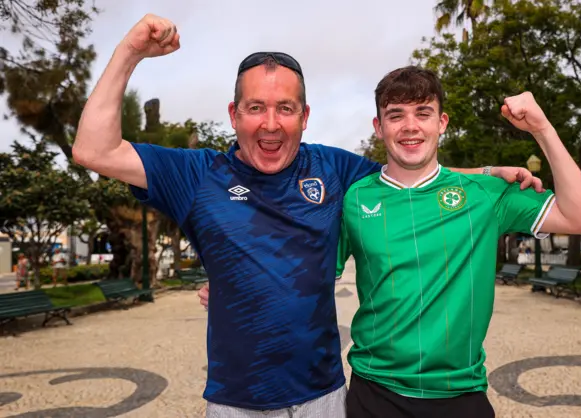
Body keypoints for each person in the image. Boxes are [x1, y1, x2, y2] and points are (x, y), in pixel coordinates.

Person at [73, 14, 544, 418]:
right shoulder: (197, 175)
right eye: (256, 108)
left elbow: (408, 170)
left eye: (286, 108)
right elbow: (93, 149)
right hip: (236, 401)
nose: (271, 123)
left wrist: (484, 173)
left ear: (305, 115)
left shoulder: (332, 167)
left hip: (325, 395)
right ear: (235, 114)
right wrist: (130, 51)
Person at [332, 66, 581, 417]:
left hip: (460, 394)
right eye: (396, 115)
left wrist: (542, 128)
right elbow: (314, 284)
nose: (410, 126)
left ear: (442, 122)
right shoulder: (354, 199)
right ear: (379, 128)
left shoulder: (484, 194)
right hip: (374, 392)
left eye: (423, 113)